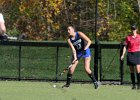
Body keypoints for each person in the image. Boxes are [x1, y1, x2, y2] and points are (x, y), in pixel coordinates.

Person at [121, 24, 140, 89]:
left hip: (137, 54)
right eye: (132, 29)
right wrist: (123, 55)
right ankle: (133, 85)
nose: (133, 30)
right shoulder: (128, 37)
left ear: (136, 30)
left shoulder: (139, 37)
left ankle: (139, 85)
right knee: (132, 71)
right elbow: (125, 46)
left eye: (134, 29)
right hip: (130, 54)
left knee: (138, 70)